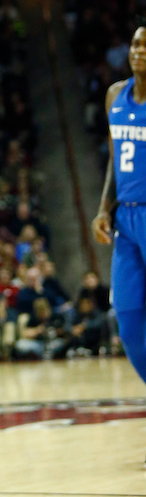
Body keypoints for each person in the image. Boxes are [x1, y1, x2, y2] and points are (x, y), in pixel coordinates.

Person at [93, 24, 146, 420]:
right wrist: (102, 207)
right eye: (134, 42)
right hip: (126, 218)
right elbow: (115, 158)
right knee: (127, 319)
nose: (138, 49)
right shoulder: (115, 95)